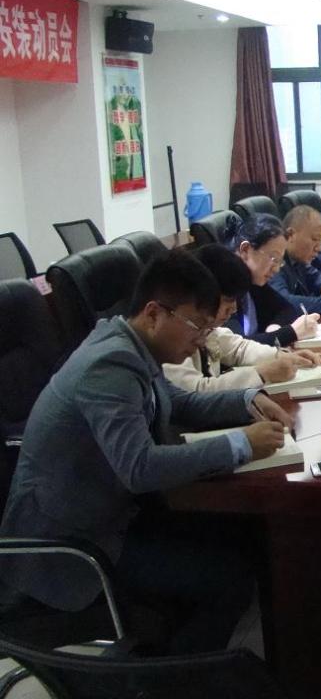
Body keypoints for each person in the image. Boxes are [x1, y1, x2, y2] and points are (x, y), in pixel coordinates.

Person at [0, 250, 293, 654]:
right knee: (228, 580)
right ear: (154, 313)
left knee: (242, 533)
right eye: (197, 327)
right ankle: (166, 679)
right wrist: (241, 443)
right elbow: (139, 467)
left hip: (115, 516)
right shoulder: (109, 366)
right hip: (74, 545)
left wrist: (248, 400)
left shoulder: (131, 345)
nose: (201, 340)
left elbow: (179, 402)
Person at [165, 244, 321, 392]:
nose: (234, 309)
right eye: (228, 300)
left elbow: (238, 348)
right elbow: (196, 392)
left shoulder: (207, 328)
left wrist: (283, 356)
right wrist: (262, 373)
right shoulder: (173, 335)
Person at [221, 213, 320, 347]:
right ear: (245, 250)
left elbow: (286, 310)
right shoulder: (223, 285)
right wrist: (290, 333)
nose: (276, 269)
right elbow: (237, 347)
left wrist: (274, 327)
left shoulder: (251, 279)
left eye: (280, 261)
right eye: (273, 258)